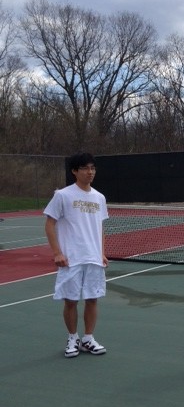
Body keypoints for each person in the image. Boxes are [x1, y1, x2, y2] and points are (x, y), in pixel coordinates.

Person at [44, 152, 109, 358]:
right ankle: (72, 338)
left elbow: (100, 227)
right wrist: (57, 253)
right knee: (70, 301)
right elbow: (49, 224)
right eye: (85, 168)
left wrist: (102, 253)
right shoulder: (63, 195)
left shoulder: (99, 197)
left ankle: (88, 339)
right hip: (71, 259)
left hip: (93, 258)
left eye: (93, 168)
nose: (90, 172)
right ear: (74, 171)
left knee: (92, 299)